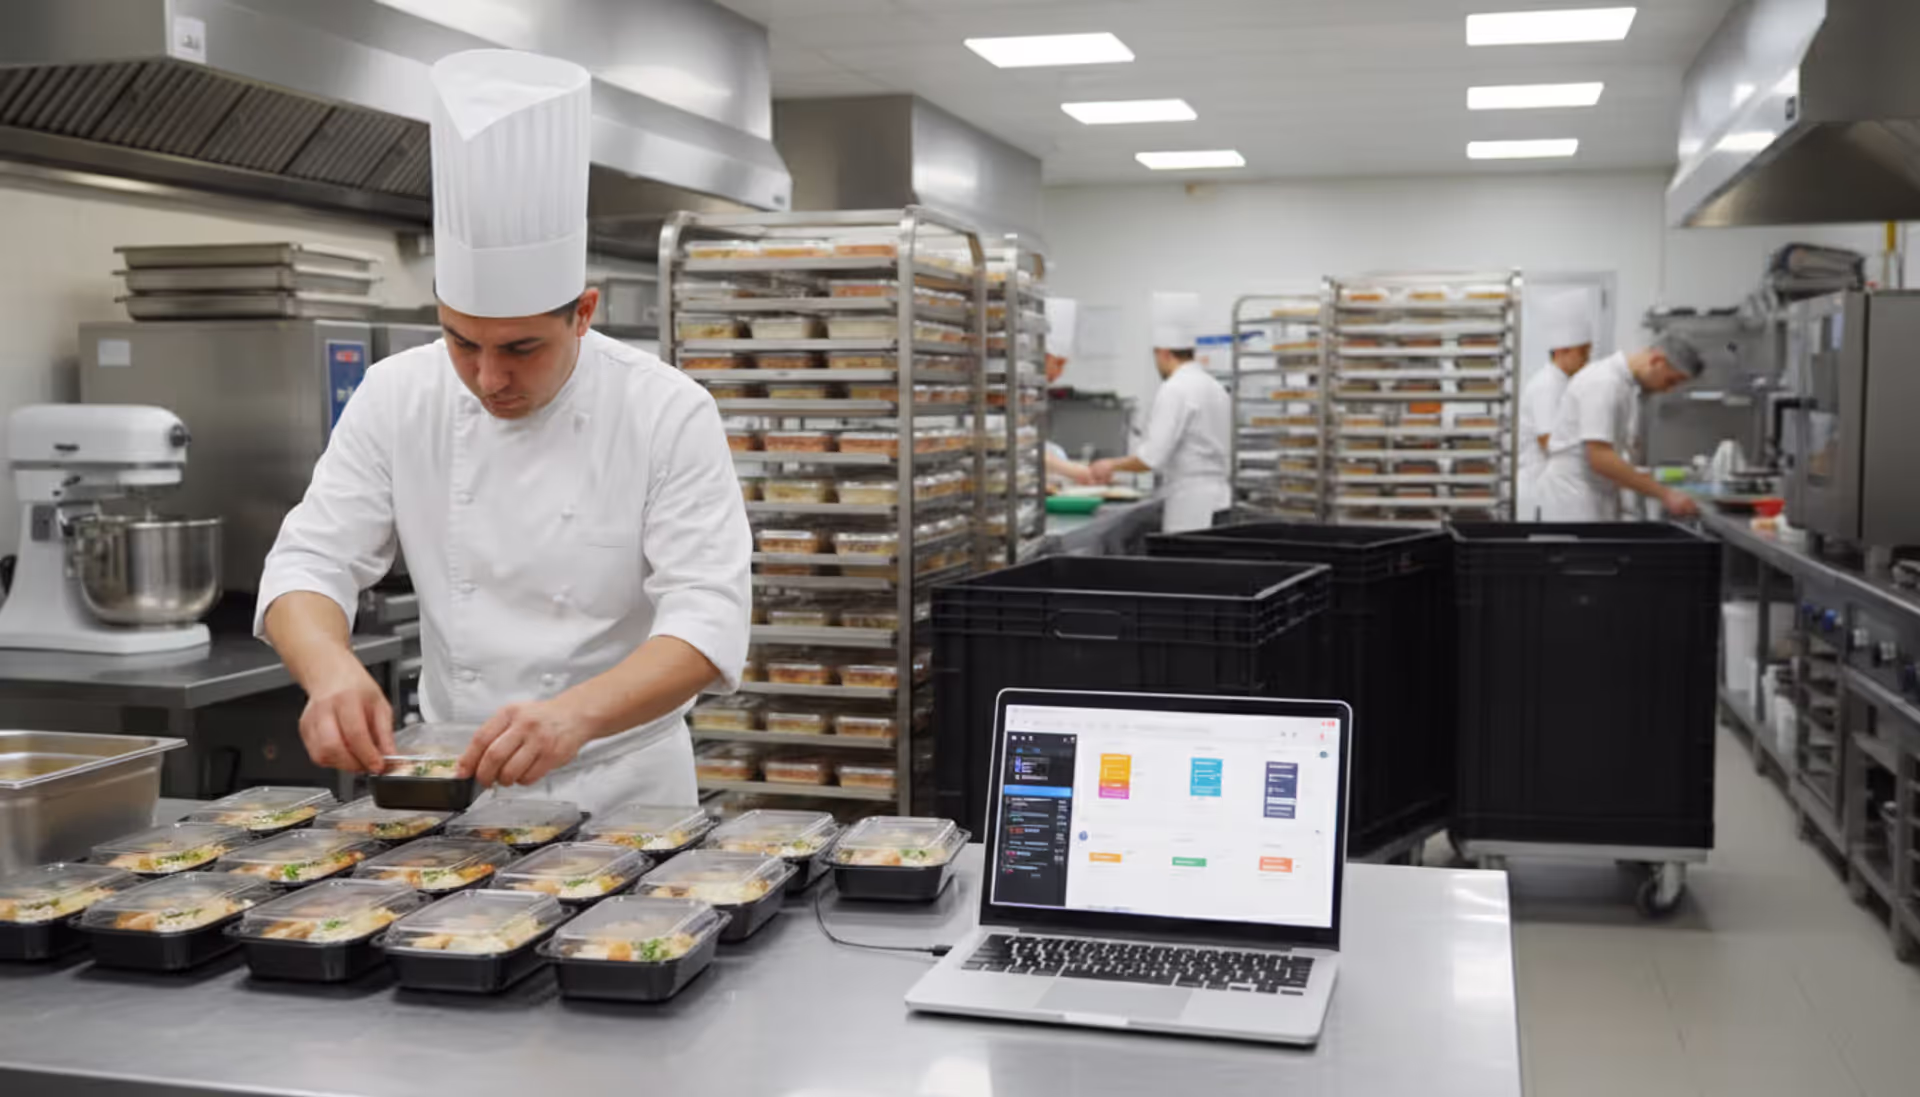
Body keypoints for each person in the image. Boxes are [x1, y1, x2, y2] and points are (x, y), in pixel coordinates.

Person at [254, 49, 751, 812]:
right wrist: (329, 669)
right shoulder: (397, 394)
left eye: (521, 348)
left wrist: (577, 714)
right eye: (461, 341)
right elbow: (309, 563)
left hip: (626, 789)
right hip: (454, 786)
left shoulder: (665, 410)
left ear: (582, 313)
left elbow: (707, 619)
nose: (488, 378)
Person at [1091, 291, 1232, 533]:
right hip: (1221, 500)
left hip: (1192, 506)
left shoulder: (1175, 388)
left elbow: (1150, 458)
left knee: (1185, 568)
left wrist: (1109, 465)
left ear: (1164, 353)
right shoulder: (1214, 386)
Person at [1535, 333, 1706, 522]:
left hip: (1593, 496)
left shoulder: (1626, 386)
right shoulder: (1604, 382)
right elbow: (1600, 458)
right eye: (1671, 380)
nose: (1668, 389)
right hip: (1574, 501)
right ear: (1657, 360)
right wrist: (1665, 494)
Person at [1515, 306, 1595, 519]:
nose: (1587, 359)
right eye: (1583, 353)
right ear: (1562, 351)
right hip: (1538, 486)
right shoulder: (1547, 385)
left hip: (1550, 488)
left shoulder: (1563, 382)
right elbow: (1547, 439)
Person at [1040, 296, 1094, 487]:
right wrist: (1072, 470)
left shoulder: (1032, 394)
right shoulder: (1003, 390)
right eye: (1058, 363)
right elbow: (1014, 446)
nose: (1059, 373)